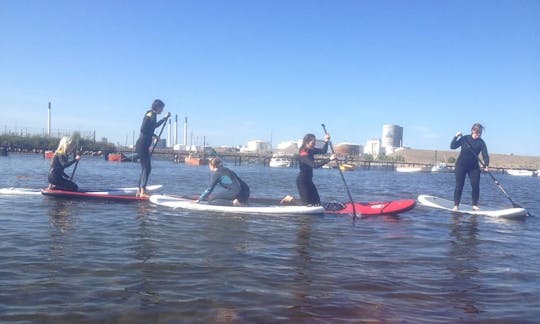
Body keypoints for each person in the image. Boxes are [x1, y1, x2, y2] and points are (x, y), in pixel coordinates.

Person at [450, 123, 489, 211]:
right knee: (459, 186)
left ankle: (474, 205)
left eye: (479, 134)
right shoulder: (465, 139)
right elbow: (452, 146)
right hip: (461, 166)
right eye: (476, 133)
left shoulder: (481, 142)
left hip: (474, 167)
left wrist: (486, 165)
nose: (477, 135)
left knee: (475, 186)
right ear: (472, 130)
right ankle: (456, 205)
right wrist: (456, 136)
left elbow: (485, 155)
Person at [136, 99, 170, 197]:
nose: (162, 110)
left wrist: (164, 119)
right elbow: (143, 128)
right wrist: (153, 135)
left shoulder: (152, 115)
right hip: (142, 144)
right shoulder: (150, 114)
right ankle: (142, 191)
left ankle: (140, 190)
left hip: (144, 145)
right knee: (147, 167)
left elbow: (154, 126)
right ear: (158, 107)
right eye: (162, 108)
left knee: (145, 168)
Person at [295, 133, 336, 206]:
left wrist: (326, 141)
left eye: (314, 143)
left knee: (317, 203)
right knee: (306, 204)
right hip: (302, 182)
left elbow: (323, 151)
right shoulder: (303, 154)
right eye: (313, 143)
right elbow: (314, 165)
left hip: (309, 181)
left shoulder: (311, 150)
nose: (314, 144)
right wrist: (329, 159)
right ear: (307, 142)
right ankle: (290, 199)